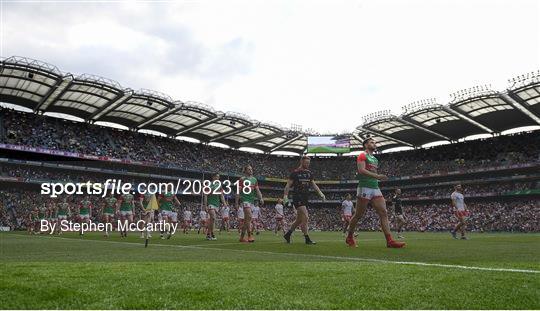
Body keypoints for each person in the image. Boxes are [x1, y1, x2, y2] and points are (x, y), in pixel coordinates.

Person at [345, 138, 405, 248]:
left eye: (375, 142)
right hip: (364, 187)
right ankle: (349, 237)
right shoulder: (362, 155)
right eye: (372, 142)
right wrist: (378, 176)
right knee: (358, 215)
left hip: (375, 187)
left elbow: (372, 172)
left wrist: (377, 178)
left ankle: (389, 241)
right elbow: (361, 170)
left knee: (384, 212)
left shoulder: (375, 159)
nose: (374, 144)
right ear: (366, 145)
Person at [283, 156, 325, 245]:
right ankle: (307, 238)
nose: (307, 164)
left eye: (308, 163)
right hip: (297, 197)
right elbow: (288, 185)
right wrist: (285, 196)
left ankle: (288, 234)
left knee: (299, 220)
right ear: (301, 162)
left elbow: (314, 185)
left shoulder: (309, 173)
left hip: (305, 197)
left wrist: (321, 193)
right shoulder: (295, 173)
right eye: (306, 163)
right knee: (306, 217)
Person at [235, 164, 264, 243]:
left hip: (251, 202)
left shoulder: (254, 180)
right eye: (249, 169)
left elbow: (257, 190)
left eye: (251, 169)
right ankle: (250, 235)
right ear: (245, 171)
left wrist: (261, 198)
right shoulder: (242, 179)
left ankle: (241, 237)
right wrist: (236, 203)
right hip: (245, 200)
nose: (251, 170)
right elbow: (238, 191)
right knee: (250, 217)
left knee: (247, 220)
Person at [203, 173, 227, 240]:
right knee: (213, 218)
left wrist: (224, 203)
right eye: (216, 177)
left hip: (217, 204)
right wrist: (205, 205)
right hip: (210, 204)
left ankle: (211, 233)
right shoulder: (209, 184)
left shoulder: (219, 185)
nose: (218, 178)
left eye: (218, 177)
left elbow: (221, 195)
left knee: (213, 220)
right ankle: (208, 234)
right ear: (213, 177)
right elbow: (205, 195)